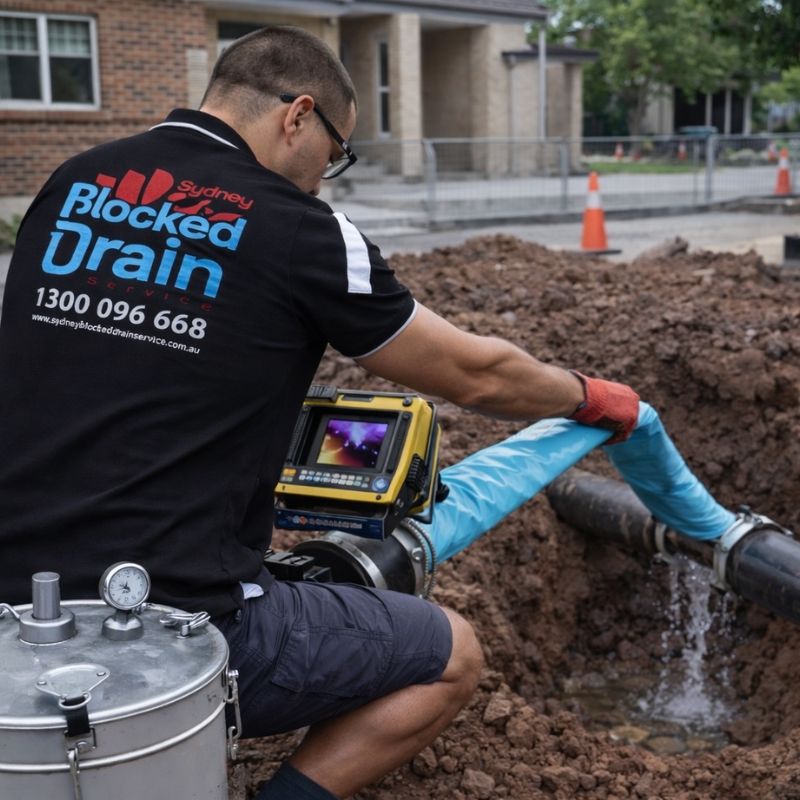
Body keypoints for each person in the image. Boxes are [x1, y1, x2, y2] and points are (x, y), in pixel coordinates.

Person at [0, 26, 640, 800]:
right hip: (179, 625)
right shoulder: (300, 228)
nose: (325, 178)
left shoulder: (76, 181)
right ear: (297, 116)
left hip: (20, 610)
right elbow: (474, 373)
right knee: (452, 656)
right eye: (336, 153)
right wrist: (588, 395)